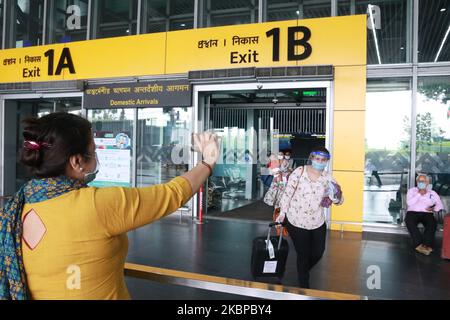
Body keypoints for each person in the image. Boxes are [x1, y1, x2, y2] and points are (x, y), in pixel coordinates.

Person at [0, 112, 219, 300]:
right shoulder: (96, 205)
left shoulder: (16, 207)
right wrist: (208, 162)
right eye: (93, 152)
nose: (96, 158)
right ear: (76, 162)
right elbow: (171, 195)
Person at [276, 146, 343, 289]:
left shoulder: (328, 178)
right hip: (296, 220)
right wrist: (282, 213)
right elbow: (287, 193)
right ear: (311, 158)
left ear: (327, 161)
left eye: (323, 160)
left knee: (318, 252)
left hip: (317, 221)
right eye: (317, 159)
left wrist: (336, 197)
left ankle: (303, 271)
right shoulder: (299, 172)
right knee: (303, 253)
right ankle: (303, 286)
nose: (320, 162)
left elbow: (340, 199)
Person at [405, 173, 444, 256]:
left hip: (427, 213)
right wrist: (419, 194)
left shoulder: (432, 193)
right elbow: (409, 203)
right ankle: (419, 245)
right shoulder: (411, 191)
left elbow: (440, 205)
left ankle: (426, 245)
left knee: (432, 223)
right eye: (419, 181)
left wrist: (433, 208)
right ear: (417, 182)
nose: (421, 182)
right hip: (413, 212)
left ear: (427, 182)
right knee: (409, 222)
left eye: (423, 181)